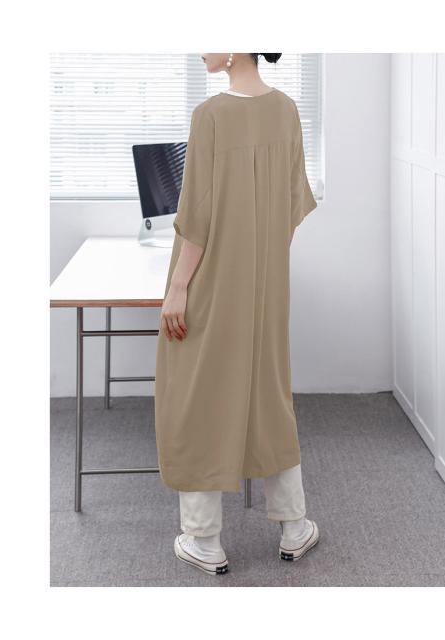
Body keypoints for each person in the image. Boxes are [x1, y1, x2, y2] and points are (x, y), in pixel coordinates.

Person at [154, 53, 319, 576]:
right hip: (266, 286)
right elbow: (292, 210)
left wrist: (178, 287)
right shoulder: (286, 109)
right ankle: (294, 527)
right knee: (269, 394)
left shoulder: (211, 115)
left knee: (196, 394)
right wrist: (262, 267)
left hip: (211, 283)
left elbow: (196, 219)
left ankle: (204, 539)